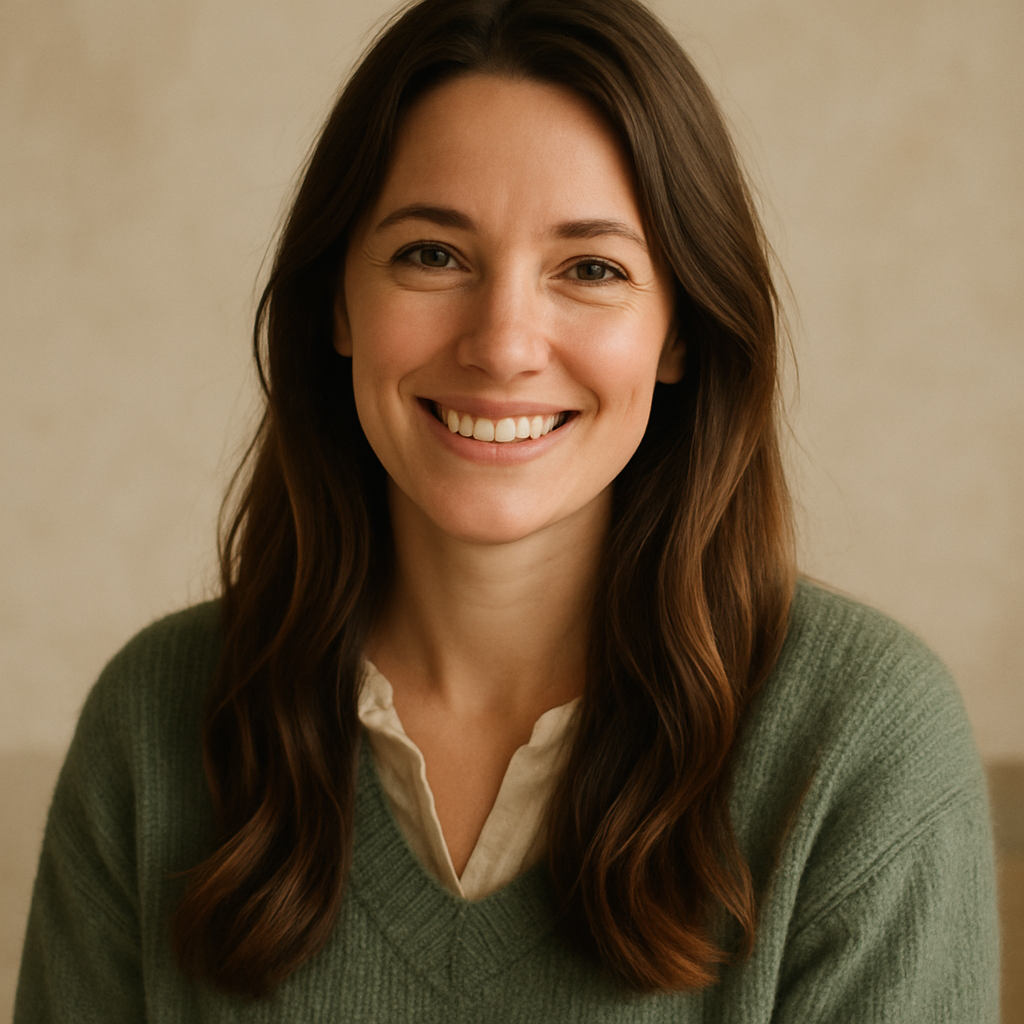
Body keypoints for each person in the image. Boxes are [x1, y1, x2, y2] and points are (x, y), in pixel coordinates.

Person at [15, 0, 999, 1019]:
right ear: (338, 306)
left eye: (591, 269)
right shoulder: (153, 721)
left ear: (678, 335)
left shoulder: (860, 744)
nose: (502, 343)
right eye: (432, 254)